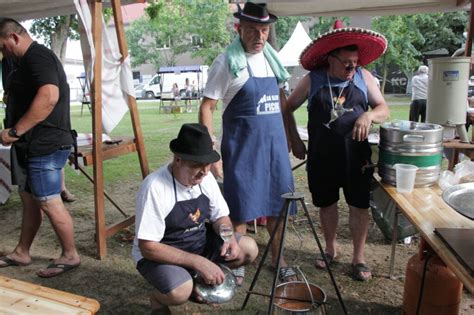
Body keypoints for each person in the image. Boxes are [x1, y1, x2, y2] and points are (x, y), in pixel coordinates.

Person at [199, 2, 297, 283]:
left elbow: (281, 102)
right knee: (240, 207)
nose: (260, 37)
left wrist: (292, 136)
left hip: (274, 149)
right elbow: (207, 108)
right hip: (242, 149)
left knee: (279, 206)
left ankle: (279, 259)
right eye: (253, 30)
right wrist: (212, 152)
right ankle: (237, 257)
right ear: (238, 28)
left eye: (264, 30)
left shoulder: (271, 58)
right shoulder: (226, 62)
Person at [286, 20, 390, 281]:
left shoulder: (364, 77)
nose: (351, 67)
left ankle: (359, 257)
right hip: (322, 155)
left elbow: (383, 109)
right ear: (330, 59)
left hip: (357, 156)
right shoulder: (313, 80)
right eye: (346, 62)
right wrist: (295, 141)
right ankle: (331, 249)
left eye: (354, 62)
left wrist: (368, 116)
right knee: (326, 204)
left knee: (358, 205)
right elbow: (286, 108)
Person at [132, 123, 258, 313]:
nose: (205, 171)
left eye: (207, 164)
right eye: (196, 165)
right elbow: (148, 248)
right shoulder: (155, 187)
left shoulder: (206, 179)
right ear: (178, 160)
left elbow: (220, 217)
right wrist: (198, 262)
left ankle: (196, 279)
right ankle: (158, 299)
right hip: (161, 253)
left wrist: (228, 237)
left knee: (248, 249)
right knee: (179, 291)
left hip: (197, 243)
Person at [0, 18, 80, 277]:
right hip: (28, 146)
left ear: (13, 37)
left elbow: (49, 96)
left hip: (45, 144)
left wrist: (14, 131)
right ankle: (22, 252)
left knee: (48, 201)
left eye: (3, 47)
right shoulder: (21, 62)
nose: (3, 53)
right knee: (30, 201)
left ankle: (70, 255)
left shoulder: (38, 57)